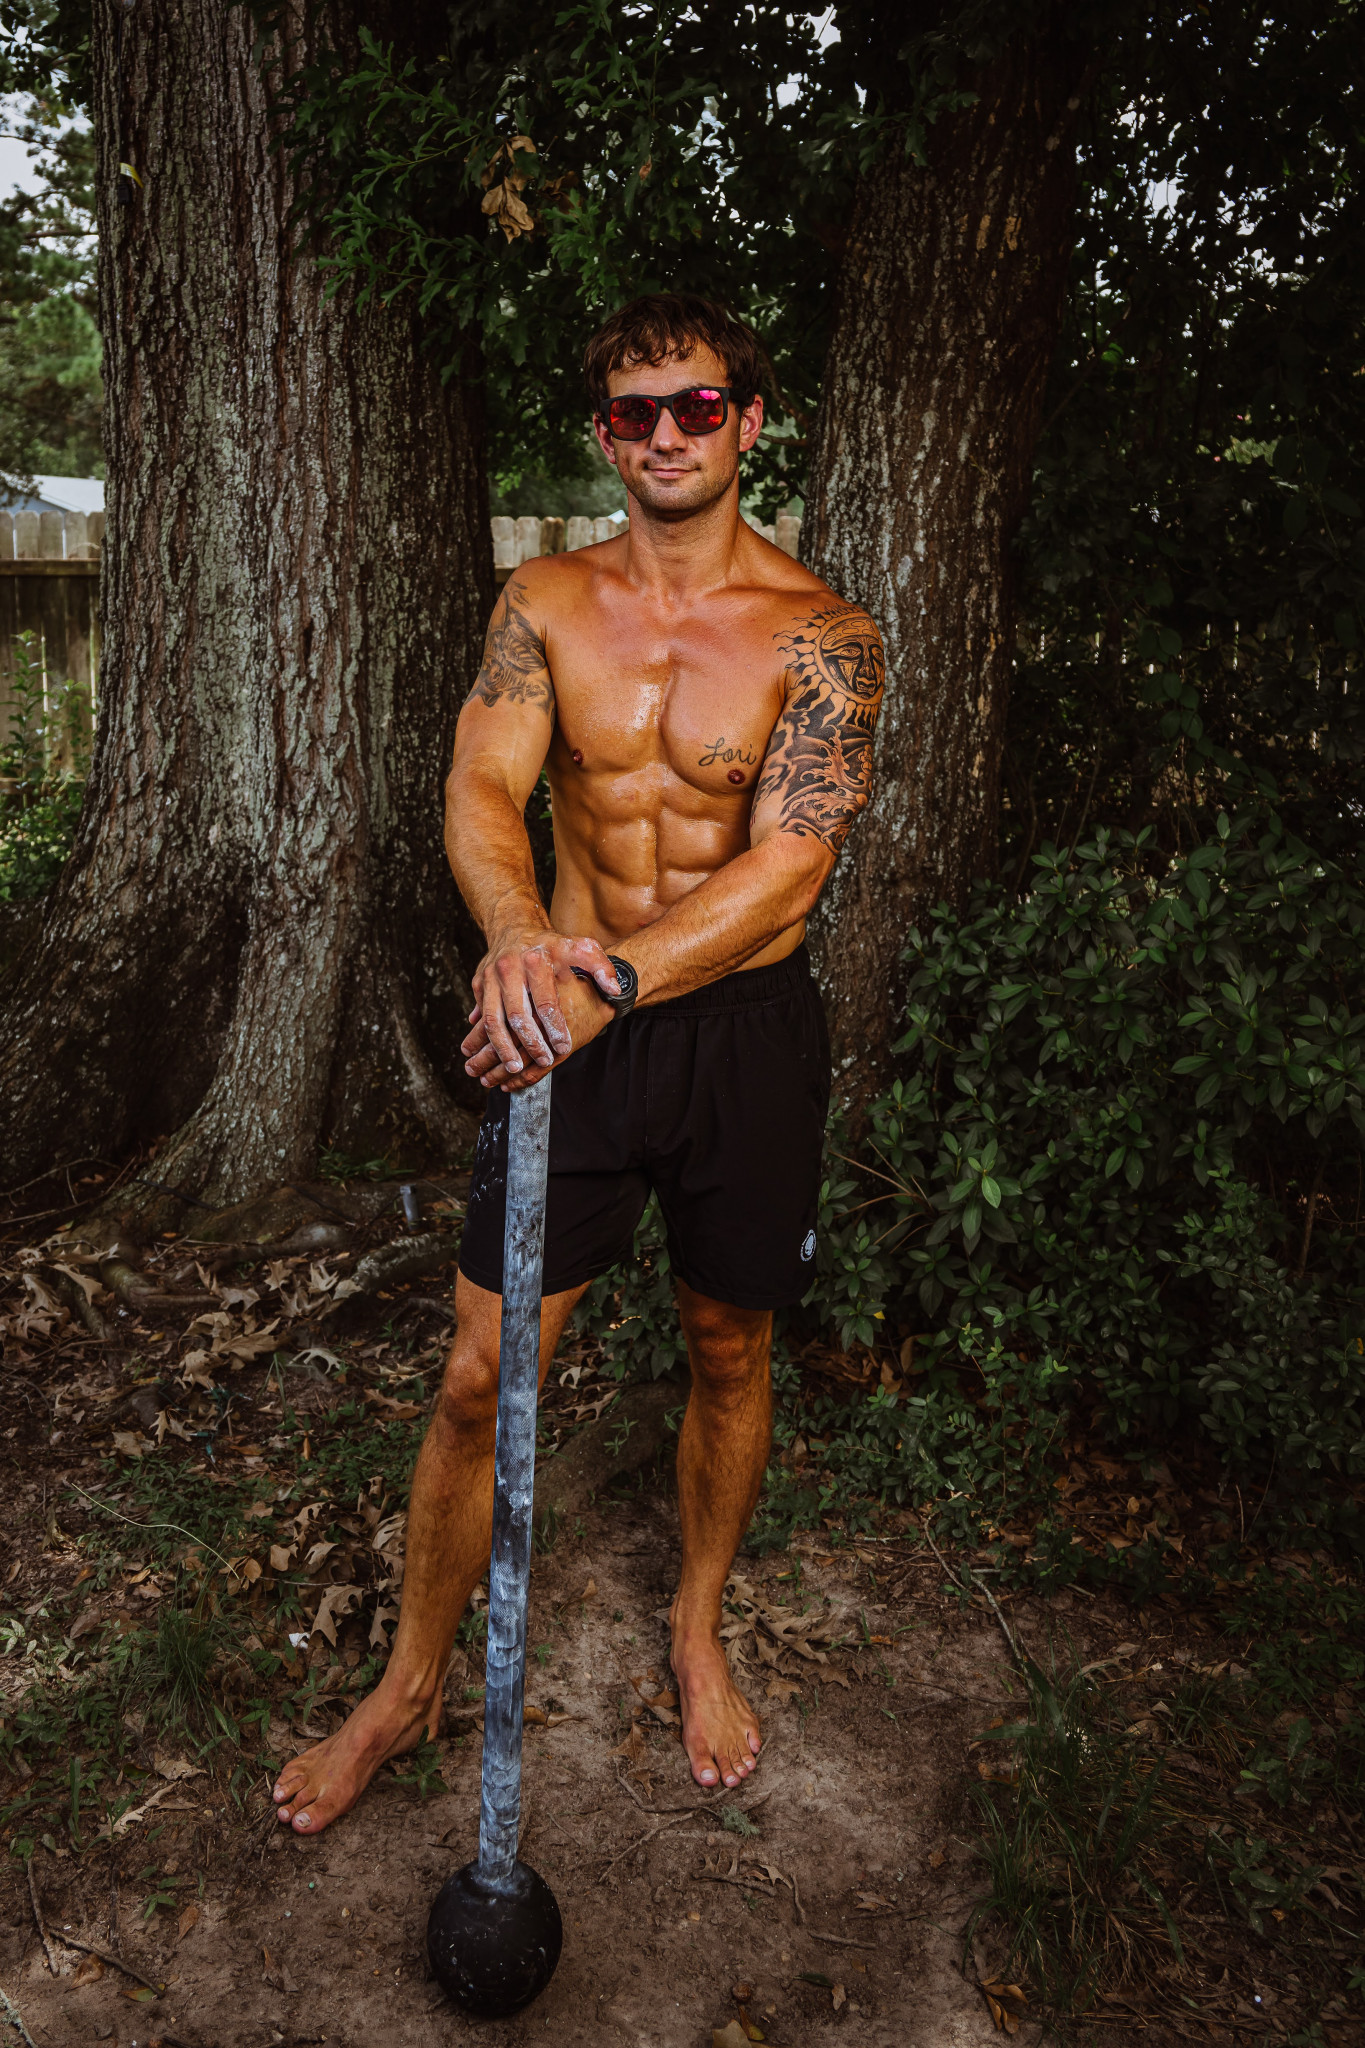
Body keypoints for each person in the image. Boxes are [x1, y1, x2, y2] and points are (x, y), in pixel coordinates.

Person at [271, 292, 884, 1835]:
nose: (666, 434)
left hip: (737, 1036)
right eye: (634, 412)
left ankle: (694, 1627)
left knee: (727, 1347)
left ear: (749, 422)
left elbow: (790, 868)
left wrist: (610, 978)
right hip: (569, 1019)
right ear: (604, 435)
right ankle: (407, 1686)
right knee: (478, 1375)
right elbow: (482, 785)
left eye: (697, 406)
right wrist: (521, 941)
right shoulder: (544, 598)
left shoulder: (821, 634)